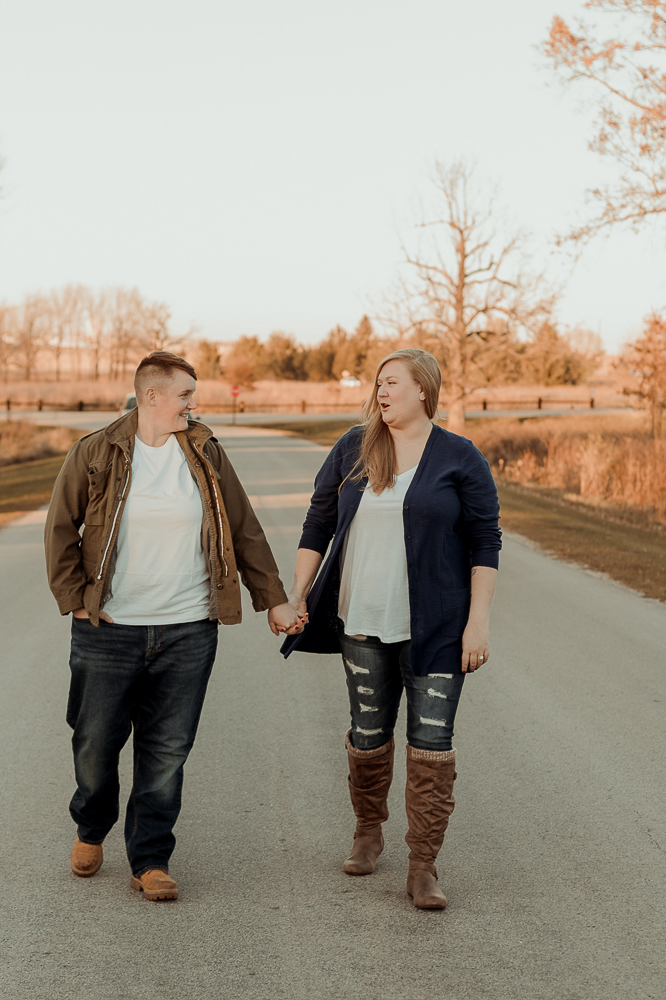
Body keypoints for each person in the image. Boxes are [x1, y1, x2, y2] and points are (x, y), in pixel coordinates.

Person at [45, 351, 304, 902]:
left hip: (188, 629)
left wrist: (273, 600)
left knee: (166, 751)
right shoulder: (95, 452)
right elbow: (60, 527)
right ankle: (91, 824)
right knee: (94, 744)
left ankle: (150, 859)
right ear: (152, 396)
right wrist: (76, 601)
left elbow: (243, 526)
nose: (193, 403)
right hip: (108, 630)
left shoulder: (205, 451)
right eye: (185, 394)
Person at [279, 348, 500, 910]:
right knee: (368, 734)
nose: (381, 391)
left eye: (392, 382)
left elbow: (485, 543)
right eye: (378, 382)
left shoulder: (459, 456)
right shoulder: (354, 448)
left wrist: (477, 624)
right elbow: (318, 522)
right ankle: (367, 832)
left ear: (423, 389)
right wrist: (298, 594)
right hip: (361, 621)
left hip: (439, 629)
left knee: (433, 745)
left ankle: (423, 865)